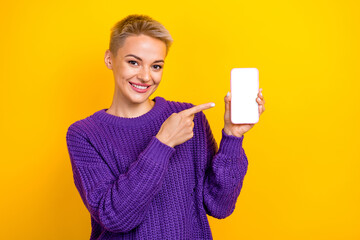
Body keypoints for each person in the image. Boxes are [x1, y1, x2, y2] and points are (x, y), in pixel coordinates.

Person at [66, 14, 265, 240]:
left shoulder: (188, 118)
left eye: (156, 66)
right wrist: (162, 143)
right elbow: (115, 217)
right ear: (110, 59)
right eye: (133, 62)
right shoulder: (85, 134)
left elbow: (219, 206)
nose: (145, 76)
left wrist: (232, 137)